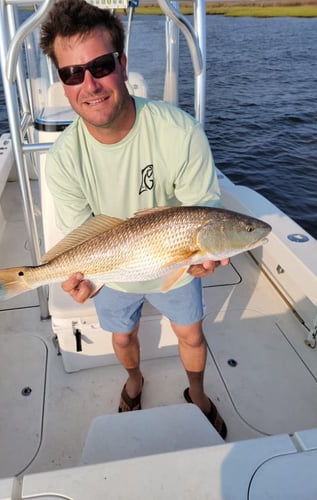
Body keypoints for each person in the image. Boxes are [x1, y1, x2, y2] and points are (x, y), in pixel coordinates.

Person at [40, 0, 228, 438]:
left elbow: (199, 213)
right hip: (114, 274)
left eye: (101, 65)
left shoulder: (180, 132)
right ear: (63, 84)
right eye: (72, 73)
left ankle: (197, 393)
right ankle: (134, 379)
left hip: (176, 265)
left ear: (122, 64)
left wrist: (201, 260)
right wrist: (86, 279)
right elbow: (84, 234)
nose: (89, 84)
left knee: (192, 336)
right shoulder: (64, 160)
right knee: (122, 339)